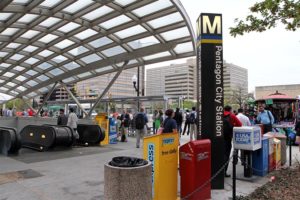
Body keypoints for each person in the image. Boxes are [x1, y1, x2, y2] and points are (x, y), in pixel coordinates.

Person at [224, 105, 242, 177]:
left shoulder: (218, 114)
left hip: (218, 138)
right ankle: (224, 172)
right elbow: (240, 124)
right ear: (230, 109)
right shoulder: (232, 115)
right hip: (227, 138)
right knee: (226, 154)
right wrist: (233, 125)